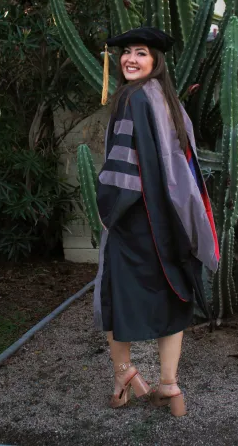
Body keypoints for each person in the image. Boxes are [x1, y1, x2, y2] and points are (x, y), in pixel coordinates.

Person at [94, 26, 219, 417]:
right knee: (171, 299)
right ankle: (170, 386)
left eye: (141, 53)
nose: (130, 59)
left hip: (134, 223)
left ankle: (124, 374)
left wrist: (108, 210)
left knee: (115, 300)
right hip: (170, 223)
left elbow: (122, 174)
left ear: (156, 61)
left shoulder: (131, 98)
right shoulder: (167, 99)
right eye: (127, 52)